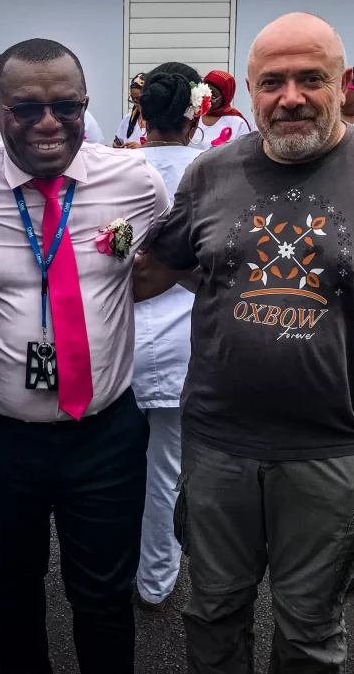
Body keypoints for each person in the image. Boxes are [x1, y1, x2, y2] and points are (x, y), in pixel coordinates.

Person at [133, 13, 354, 673]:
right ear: (250, 90)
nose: (291, 97)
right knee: (212, 617)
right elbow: (152, 272)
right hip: (218, 449)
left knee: (311, 634)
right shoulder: (209, 173)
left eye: (311, 78)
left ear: (343, 85)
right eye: (273, 82)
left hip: (332, 455)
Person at [0, 38, 170, 674]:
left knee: (105, 596)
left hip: (105, 433)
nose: (48, 123)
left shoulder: (135, 180)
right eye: (27, 109)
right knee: (13, 590)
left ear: (86, 105)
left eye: (66, 106)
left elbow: (161, 261)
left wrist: (105, 310)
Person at [130, 62, 205, 609]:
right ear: (194, 118)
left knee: (114, 469)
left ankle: (117, 565)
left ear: (142, 116)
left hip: (121, 339)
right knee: (167, 470)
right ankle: (156, 577)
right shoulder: (214, 174)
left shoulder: (116, 172)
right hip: (187, 344)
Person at [198, 69, 252, 146]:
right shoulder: (193, 115)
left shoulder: (237, 123)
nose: (206, 99)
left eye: (213, 97)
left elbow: (244, 150)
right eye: (204, 94)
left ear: (225, 98)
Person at [113, 72, 147, 148]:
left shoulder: (159, 120)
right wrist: (117, 145)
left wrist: (141, 148)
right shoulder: (128, 119)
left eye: (138, 98)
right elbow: (119, 140)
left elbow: (164, 148)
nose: (135, 103)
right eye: (132, 98)